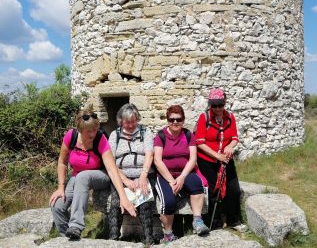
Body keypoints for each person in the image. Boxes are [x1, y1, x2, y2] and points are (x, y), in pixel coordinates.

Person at [49, 107, 136, 240]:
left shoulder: (100, 139)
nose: (92, 134)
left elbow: (112, 170)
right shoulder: (70, 136)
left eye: (95, 130)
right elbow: (62, 162)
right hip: (76, 177)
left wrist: (123, 198)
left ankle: (76, 226)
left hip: (101, 175)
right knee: (57, 206)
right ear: (79, 130)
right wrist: (61, 188)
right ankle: (67, 239)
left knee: (83, 176)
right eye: (88, 131)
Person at [154, 105, 209, 244]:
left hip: (185, 172)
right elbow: (157, 161)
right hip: (165, 175)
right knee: (168, 201)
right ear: (167, 120)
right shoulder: (160, 136)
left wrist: (182, 177)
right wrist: (172, 181)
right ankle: (168, 234)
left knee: (197, 185)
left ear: (183, 120)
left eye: (178, 119)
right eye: (171, 119)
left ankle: (197, 221)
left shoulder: (188, 135)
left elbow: (192, 159)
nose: (175, 122)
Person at [195, 88, 247, 232]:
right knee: (212, 192)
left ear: (225, 103)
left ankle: (234, 220)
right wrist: (217, 156)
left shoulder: (230, 117)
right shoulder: (203, 118)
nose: (217, 108)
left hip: (226, 160)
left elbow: (235, 138)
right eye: (214, 105)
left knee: (234, 190)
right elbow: (200, 142)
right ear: (210, 105)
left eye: (220, 105)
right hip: (208, 161)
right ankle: (215, 224)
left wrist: (230, 146)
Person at [108, 103, 155, 244]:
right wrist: (126, 180)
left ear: (137, 119)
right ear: (121, 121)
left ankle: (148, 240)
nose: (130, 125)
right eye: (127, 122)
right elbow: (110, 161)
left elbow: (149, 155)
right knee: (116, 203)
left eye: (133, 121)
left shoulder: (145, 132)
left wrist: (142, 176)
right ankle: (113, 239)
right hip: (120, 175)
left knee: (144, 200)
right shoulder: (114, 135)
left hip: (143, 174)